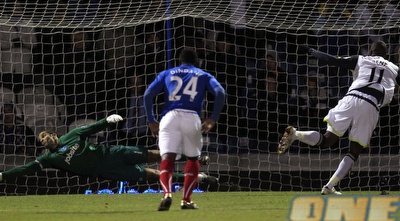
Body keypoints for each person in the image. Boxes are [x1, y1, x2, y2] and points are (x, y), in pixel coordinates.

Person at [278, 41, 400, 195]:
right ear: (386, 55)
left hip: (350, 98)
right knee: (354, 151)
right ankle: (329, 186)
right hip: (370, 104)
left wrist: (311, 50)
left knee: (328, 139)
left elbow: (332, 59)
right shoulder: (394, 68)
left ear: (370, 51)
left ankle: (296, 134)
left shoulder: (361, 59)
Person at [0, 114, 216, 187]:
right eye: (41, 140)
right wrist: (3, 175)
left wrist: (106, 121)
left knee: (154, 154)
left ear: (54, 135)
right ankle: (199, 177)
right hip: (107, 170)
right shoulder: (49, 159)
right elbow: (26, 169)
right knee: (154, 176)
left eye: (45, 136)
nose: (44, 140)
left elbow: (92, 128)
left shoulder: (71, 135)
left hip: (112, 152)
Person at [144, 49, 225, 210]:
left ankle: (167, 193)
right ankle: (186, 200)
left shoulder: (167, 73)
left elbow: (147, 94)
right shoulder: (202, 74)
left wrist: (152, 120)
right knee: (193, 159)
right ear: (196, 62)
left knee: (167, 158)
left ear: (180, 61)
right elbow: (220, 92)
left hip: (169, 117)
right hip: (191, 117)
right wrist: (213, 118)